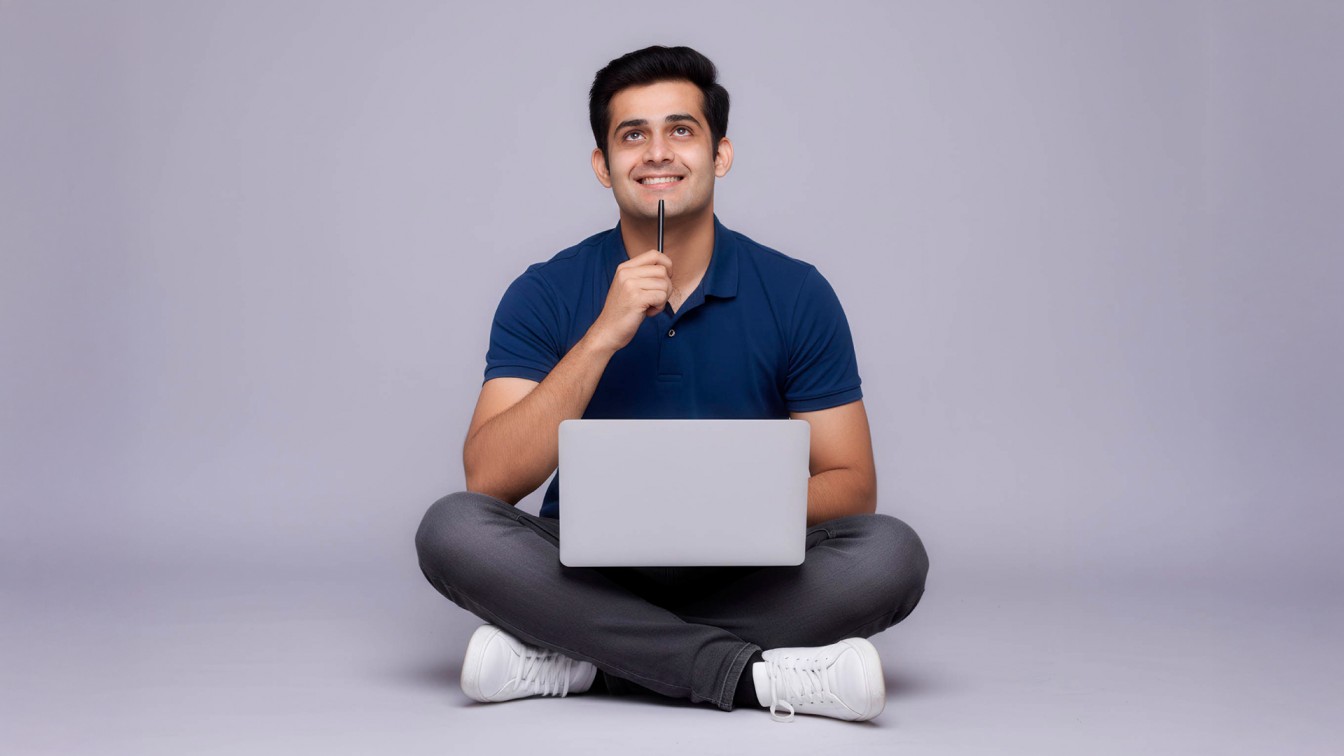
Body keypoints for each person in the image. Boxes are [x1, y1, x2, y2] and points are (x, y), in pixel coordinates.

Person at [415, 45, 929, 723]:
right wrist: (603, 334)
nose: (657, 153)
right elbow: (490, 479)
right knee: (450, 529)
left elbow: (852, 483)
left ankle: (585, 657)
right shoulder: (543, 291)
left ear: (720, 155)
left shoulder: (798, 291)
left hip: (750, 574)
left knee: (891, 553)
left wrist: (726, 510)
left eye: (681, 130)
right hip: (584, 570)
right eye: (633, 135)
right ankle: (751, 679)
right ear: (603, 165)